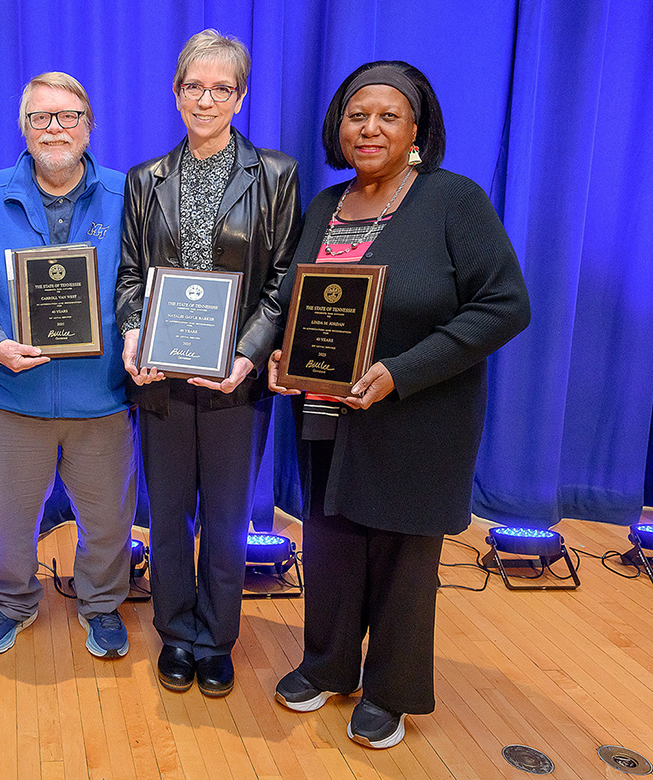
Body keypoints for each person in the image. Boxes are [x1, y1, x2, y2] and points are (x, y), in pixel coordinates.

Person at [269, 60, 530, 748]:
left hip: (417, 417)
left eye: (389, 115)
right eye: (358, 115)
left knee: (403, 560)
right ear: (339, 127)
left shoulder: (453, 200)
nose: (371, 127)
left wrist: (400, 371)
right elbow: (305, 304)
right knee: (329, 543)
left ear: (417, 128)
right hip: (326, 415)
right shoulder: (324, 206)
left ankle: (390, 689)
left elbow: (506, 305)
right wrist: (283, 358)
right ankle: (328, 664)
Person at [115, 29, 302, 697]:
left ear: (241, 96)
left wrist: (250, 356)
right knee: (166, 514)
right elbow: (131, 274)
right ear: (175, 93)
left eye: (221, 87)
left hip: (234, 384)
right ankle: (175, 631)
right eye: (194, 86)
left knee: (225, 518)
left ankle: (216, 637)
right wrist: (134, 334)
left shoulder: (276, 175)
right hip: (160, 378)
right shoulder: (145, 179)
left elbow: (284, 280)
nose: (206, 98)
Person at [0, 72, 136, 659]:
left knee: (108, 519)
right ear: (23, 128)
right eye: (40, 118)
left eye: (67, 117)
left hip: (102, 393)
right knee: (8, 518)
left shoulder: (126, 194)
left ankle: (102, 605)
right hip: (13, 393)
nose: (54, 128)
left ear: (89, 126)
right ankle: (11, 602)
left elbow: (144, 281)